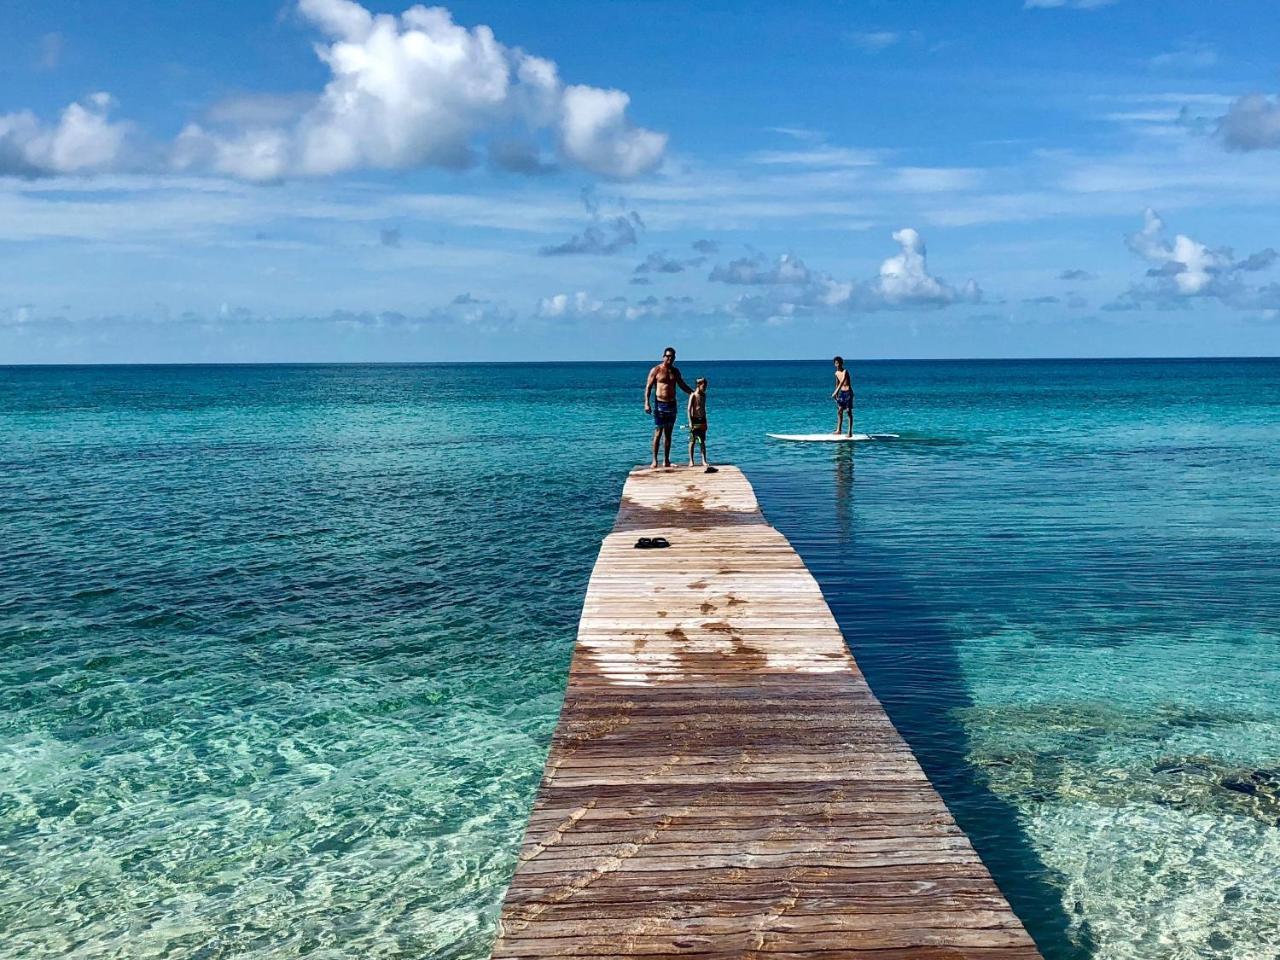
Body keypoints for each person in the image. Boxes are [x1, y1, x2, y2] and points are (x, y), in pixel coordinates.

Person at [644, 346, 694, 468]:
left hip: (672, 404)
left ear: (674, 358)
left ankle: (666, 460)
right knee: (658, 432)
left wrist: (693, 393)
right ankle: (654, 460)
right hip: (660, 404)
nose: (669, 359)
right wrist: (646, 402)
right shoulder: (656, 370)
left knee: (668, 434)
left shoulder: (675, 371)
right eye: (667, 356)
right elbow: (648, 387)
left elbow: (682, 385)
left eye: (672, 357)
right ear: (663, 357)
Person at [687, 377, 710, 467]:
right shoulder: (693, 395)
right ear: (698, 385)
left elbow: (704, 409)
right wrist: (690, 422)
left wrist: (706, 421)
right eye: (704, 386)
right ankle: (691, 460)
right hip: (694, 420)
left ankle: (704, 460)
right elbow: (689, 409)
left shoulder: (704, 395)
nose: (705, 388)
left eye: (706, 386)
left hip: (702, 420)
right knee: (692, 441)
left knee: (702, 441)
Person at [832, 355, 854, 436]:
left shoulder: (845, 371)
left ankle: (850, 432)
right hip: (842, 393)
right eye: (836, 363)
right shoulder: (836, 373)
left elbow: (842, 383)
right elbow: (837, 384)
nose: (838, 364)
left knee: (848, 412)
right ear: (834, 364)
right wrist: (836, 395)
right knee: (839, 411)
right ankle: (839, 430)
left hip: (848, 393)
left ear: (842, 363)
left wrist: (834, 393)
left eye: (839, 363)